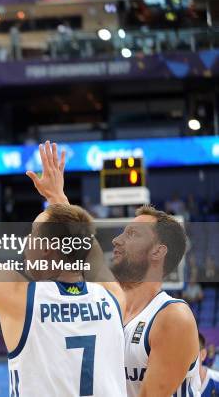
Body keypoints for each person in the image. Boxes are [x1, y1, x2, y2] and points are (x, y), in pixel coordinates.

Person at [0, 112, 126, 396]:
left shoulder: (20, 296)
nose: (27, 241)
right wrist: (58, 200)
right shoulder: (113, 296)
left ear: (51, 251)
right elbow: (88, 249)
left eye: (34, 235)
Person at [34, 141, 201, 396]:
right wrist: (57, 198)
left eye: (132, 234)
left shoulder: (172, 317)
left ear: (158, 251)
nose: (116, 240)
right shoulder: (108, 305)